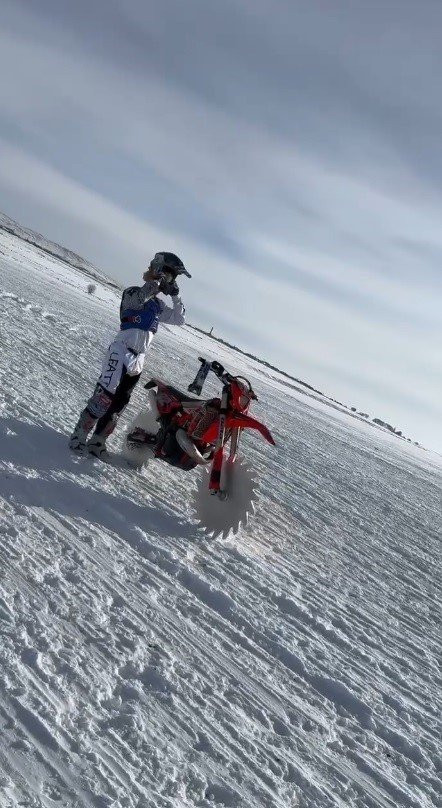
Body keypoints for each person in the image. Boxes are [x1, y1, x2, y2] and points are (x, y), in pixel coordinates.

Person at [69, 251, 190, 457]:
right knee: (105, 395)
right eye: (168, 275)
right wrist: (155, 281)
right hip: (121, 351)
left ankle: (98, 441)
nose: (169, 280)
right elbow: (137, 301)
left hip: (138, 359)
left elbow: (179, 319)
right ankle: (79, 435)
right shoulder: (133, 293)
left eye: (172, 278)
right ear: (159, 270)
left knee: (120, 402)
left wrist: (175, 295)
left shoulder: (158, 306)